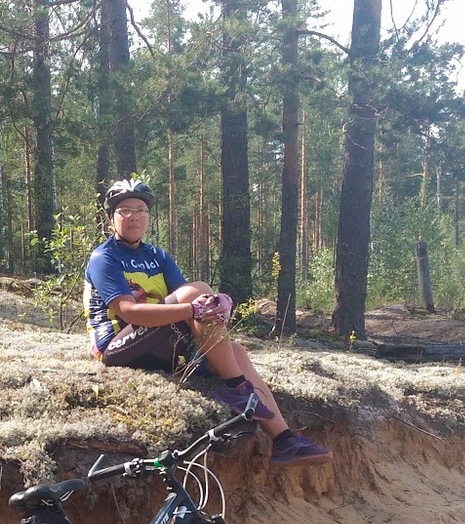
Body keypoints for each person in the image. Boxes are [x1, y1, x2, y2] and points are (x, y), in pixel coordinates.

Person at [83, 178, 332, 465]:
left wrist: (217, 306)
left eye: (140, 209)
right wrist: (195, 309)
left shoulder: (157, 256)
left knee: (236, 351)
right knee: (199, 292)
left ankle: (284, 440)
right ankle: (236, 386)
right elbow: (129, 311)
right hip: (116, 347)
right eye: (124, 210)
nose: (133, 216)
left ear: (149, 216)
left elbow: (188, 301)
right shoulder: (104, 257)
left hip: (154, 341)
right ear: (111, 217)